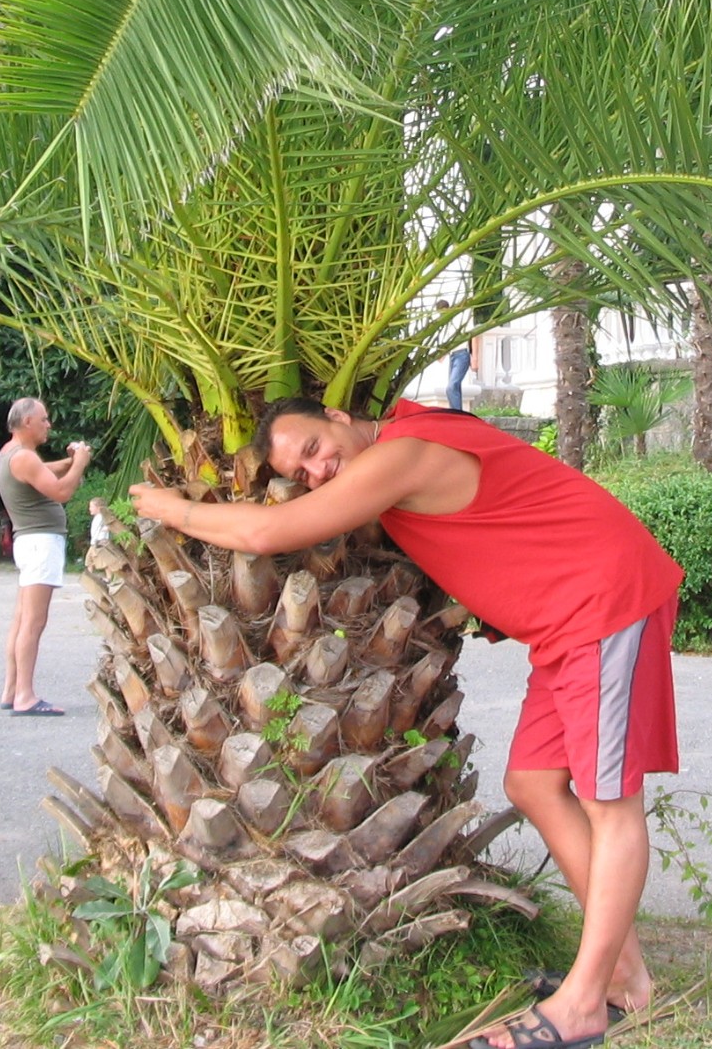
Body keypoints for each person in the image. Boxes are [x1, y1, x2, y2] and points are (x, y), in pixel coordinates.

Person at [128, 395, 682, 1049]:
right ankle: (624, 978)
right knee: (534, 783)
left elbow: (265, 534)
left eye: (312, 448)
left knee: (609, 803)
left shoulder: (404, 453)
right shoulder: (405, 443)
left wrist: (169, 508)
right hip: (564, 627)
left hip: (602, 603)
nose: (318, 471)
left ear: (336, 415)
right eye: (302, 474)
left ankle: (585, 1003)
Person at [0, 398, 91, 717]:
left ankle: (11, 689)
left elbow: (42, 472)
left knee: (22, 620)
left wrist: (67, 462)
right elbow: (62, 492)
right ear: (27, 423)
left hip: (29, 541)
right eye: (44, 420)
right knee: (34, 622)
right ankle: (25, 695)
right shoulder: (24, 457)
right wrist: (79, 461)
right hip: (39, 543)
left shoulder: (11, 453)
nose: (48, 425)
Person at [445, 335, 480, 410]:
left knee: (451, 387)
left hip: (462, 354)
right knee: (455, 388)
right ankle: (458, 414)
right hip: (452, 355)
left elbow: (474, 335)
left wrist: (475, 358)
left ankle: (457, 416)